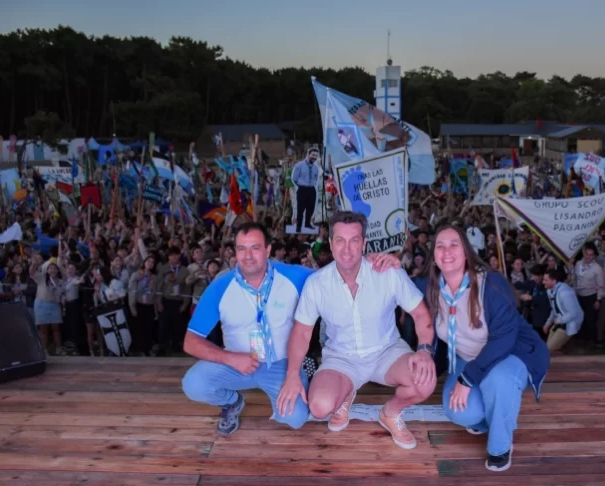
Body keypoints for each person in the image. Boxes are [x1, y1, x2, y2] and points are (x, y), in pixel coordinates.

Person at [181, 221, 399, 436]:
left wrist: (369, 261)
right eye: (241, 248)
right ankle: (232, 402)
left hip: (281, 364)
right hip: (236, 362)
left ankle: (297, 380)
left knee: (294, 418)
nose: (248, 256)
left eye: (255, 248)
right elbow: (191, 341)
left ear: (267, 250)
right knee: (193, 384)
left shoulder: (294, 276)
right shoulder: (220, 286)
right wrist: (230, 359)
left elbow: (338, 274)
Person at [278, 211, 436, 450]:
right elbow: (301, 332)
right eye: (340, 240)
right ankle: (346, 393)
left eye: (354, 240)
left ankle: (390, 413)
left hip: (387, 352)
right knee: (319, 407)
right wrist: (291, 375)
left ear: (364, 244)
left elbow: (421, 314)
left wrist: (424, 350)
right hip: (342, 358)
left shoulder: (388, 272)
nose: (347, 248)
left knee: (425, 381)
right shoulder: (317, 283)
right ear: (330, 244)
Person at [415, 223, 550, 472]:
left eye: (454, 244)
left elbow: (504, 339)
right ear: (433, 256)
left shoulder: (491, 283)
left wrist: (467, 380)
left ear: (466, 251)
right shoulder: (430, 287)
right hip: (468, 357)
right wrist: (385, 263)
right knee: (458, 412)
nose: (447, 251)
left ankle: (500, 446)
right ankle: (495, 417)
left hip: (510, 353)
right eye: (440, 246)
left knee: (497, 381)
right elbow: (397, 283)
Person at [543, 268, 584, 352]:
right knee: (548, 348)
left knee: (549, 348)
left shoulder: (565, 293)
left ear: (554, 281)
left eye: (546, 280)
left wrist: (559, 320)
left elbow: (573, 313)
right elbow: (554, 309)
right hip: (560, 322)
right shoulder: (550, 291)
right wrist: (548, 323)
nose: (543, 282)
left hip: (569, 323)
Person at [291, 148, 320, 233]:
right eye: (313, 155)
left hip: (311, 189)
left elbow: (315, 178)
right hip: (302, 189)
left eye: (316, 156)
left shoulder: (315, 167)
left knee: (310, 208)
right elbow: (294, 178)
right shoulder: (299, 165)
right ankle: (298, 226)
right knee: (301, 209)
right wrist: (301, 185)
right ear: (308, 154)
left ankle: (308, 223)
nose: (314, 157)